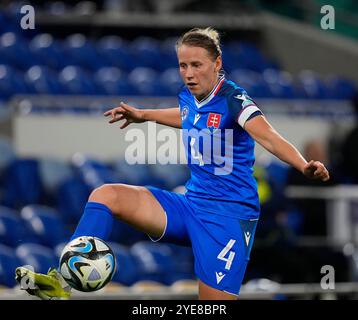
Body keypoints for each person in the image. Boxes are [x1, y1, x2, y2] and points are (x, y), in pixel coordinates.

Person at [15, 27, 330, 300]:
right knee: (105, 195)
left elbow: (270, 136)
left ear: (217, 64)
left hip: (228, 218)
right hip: (191, 206)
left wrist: (302, 165)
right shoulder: (188, 96)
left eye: (196, 65)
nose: (189, 73)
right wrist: (144, 115)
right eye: (183, 66)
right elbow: (187, 116)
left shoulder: (235, 100)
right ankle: (61, 283)